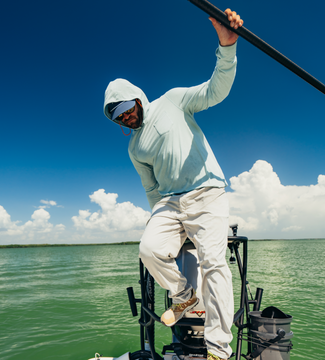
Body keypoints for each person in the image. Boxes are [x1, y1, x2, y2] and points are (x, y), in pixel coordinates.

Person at [104, 8, 243, 360]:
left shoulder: (173, 100)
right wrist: (169, 229)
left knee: (213, 262)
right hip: (169, 203)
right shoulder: (134, 147)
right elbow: (151, 189)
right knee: (149, 249)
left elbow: (216, 90)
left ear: (137, 97)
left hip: (206, 191)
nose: (126, 115)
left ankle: (218, 350)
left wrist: (226, 48)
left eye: (126, 107)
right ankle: (184, 297)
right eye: (118, 114)